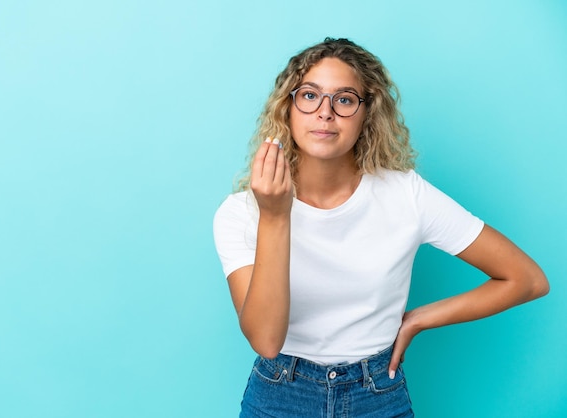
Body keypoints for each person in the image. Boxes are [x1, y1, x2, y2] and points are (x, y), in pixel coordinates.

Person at [212, 38, 549, 417]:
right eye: (309, 95)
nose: (325, 113)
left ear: (366, 113)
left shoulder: (406, 194)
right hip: (279, 396)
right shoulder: (240, 212)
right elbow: (266, 341)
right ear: (288, 108)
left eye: (344, 99)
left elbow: (528, 279)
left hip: (377, 395)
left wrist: (420, 319)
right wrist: (275, 216)